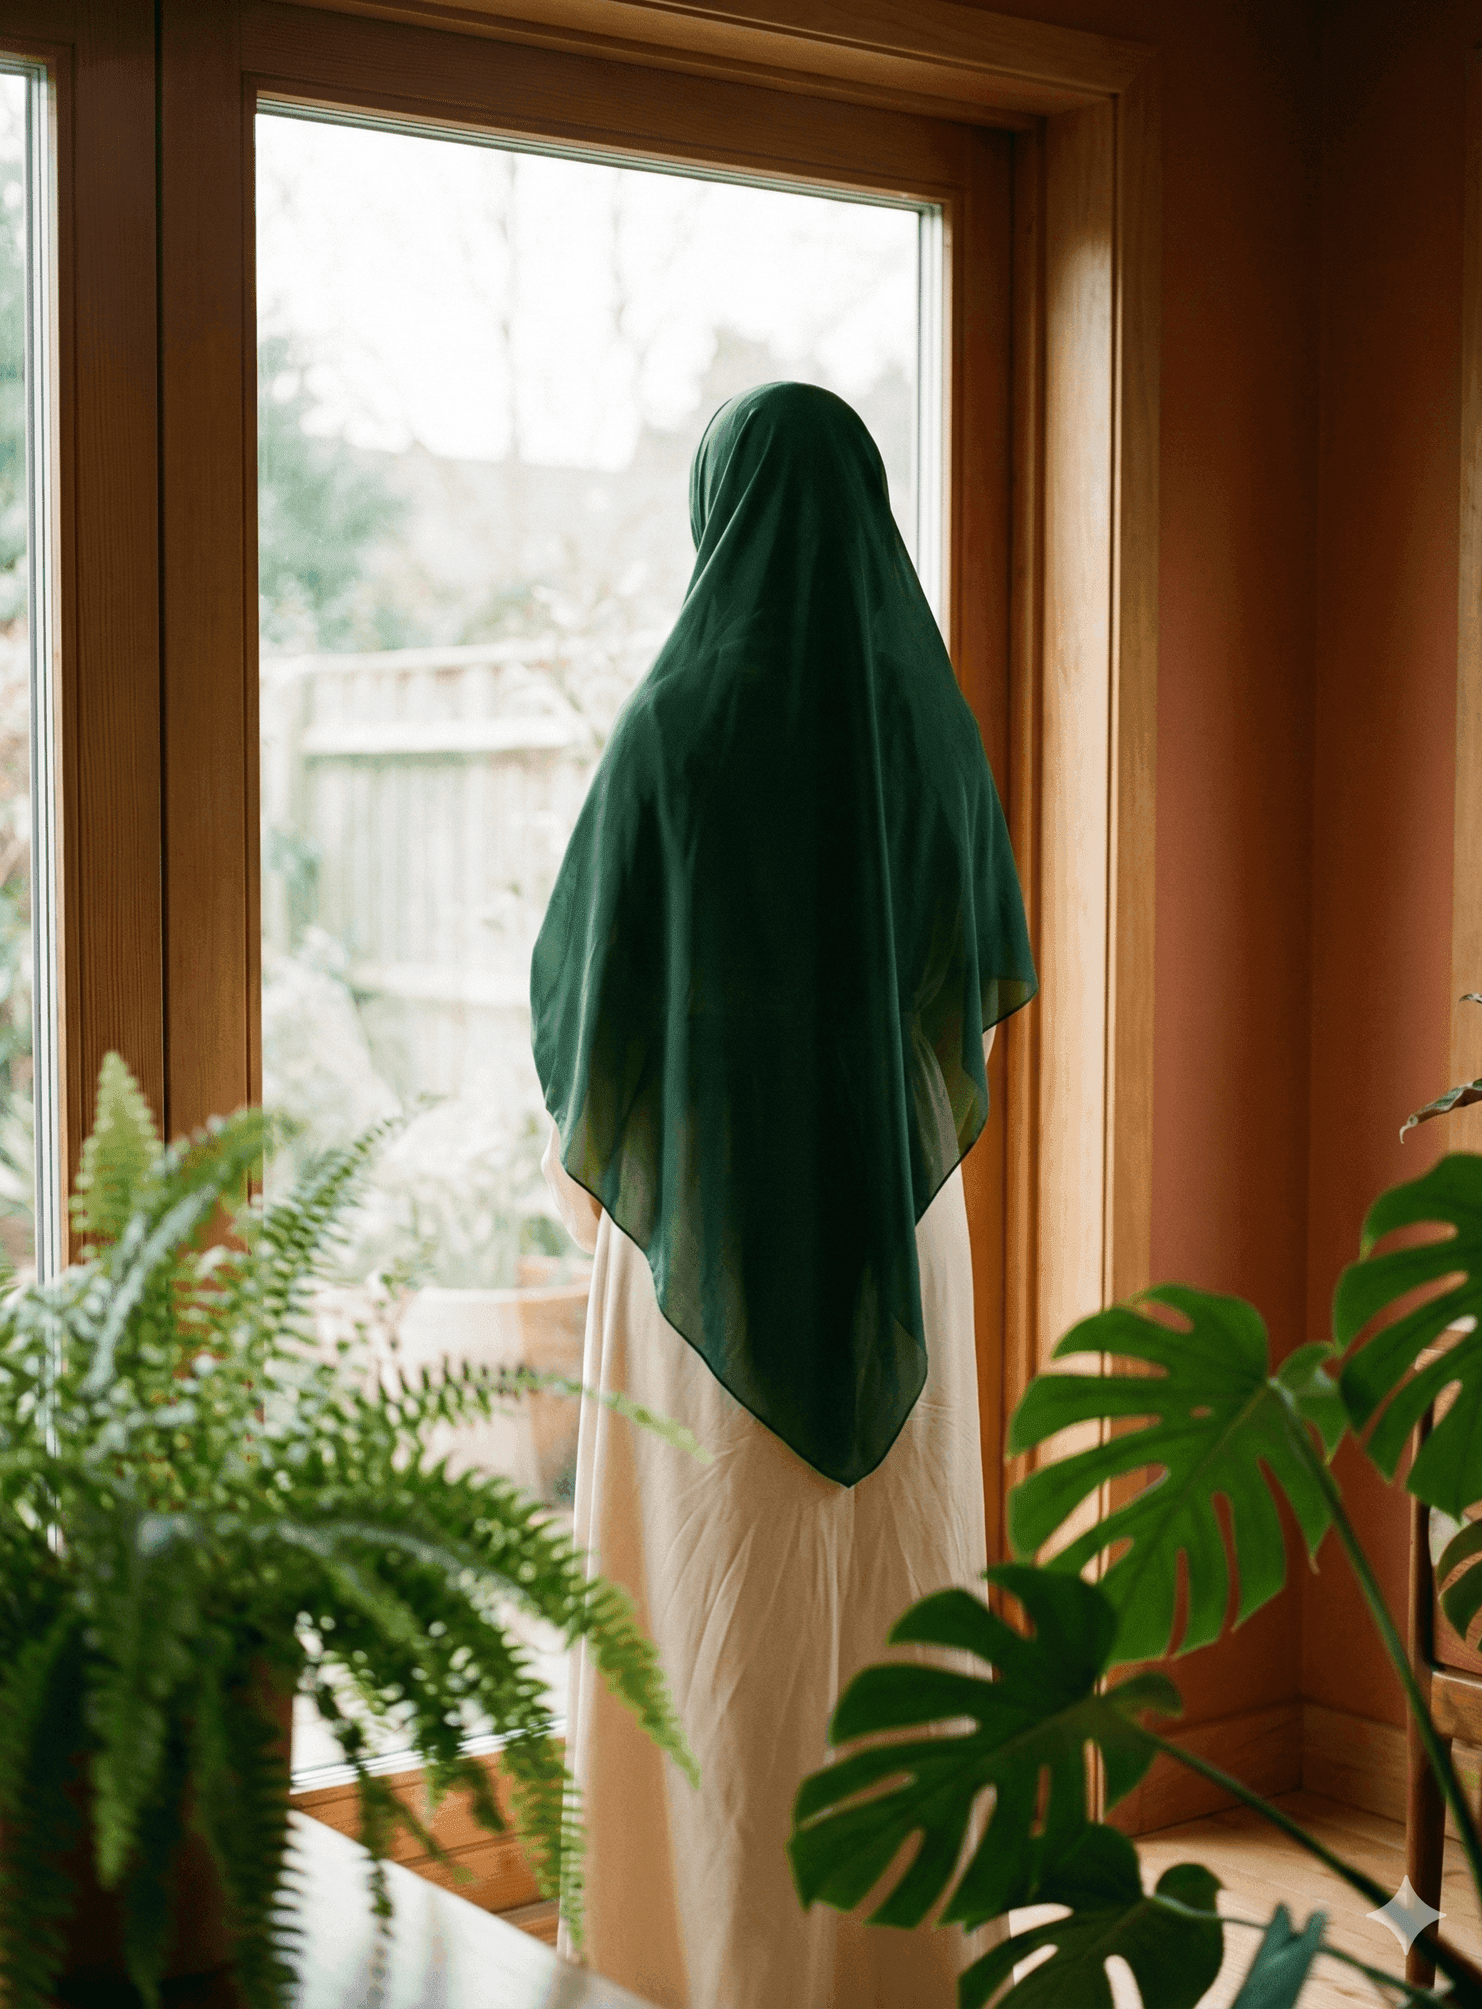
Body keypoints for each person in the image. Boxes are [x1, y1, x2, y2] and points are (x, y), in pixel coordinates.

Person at [530, 380, 1037, 2009]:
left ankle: (692, 1959)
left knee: (711, 1604)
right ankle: (907, 1963)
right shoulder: (929, 723)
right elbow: (969, 995)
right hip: (896, 1219)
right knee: (891, 1583)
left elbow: (583, 1008)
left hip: (707, 1229)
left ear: (721, 510)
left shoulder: (674, 726)